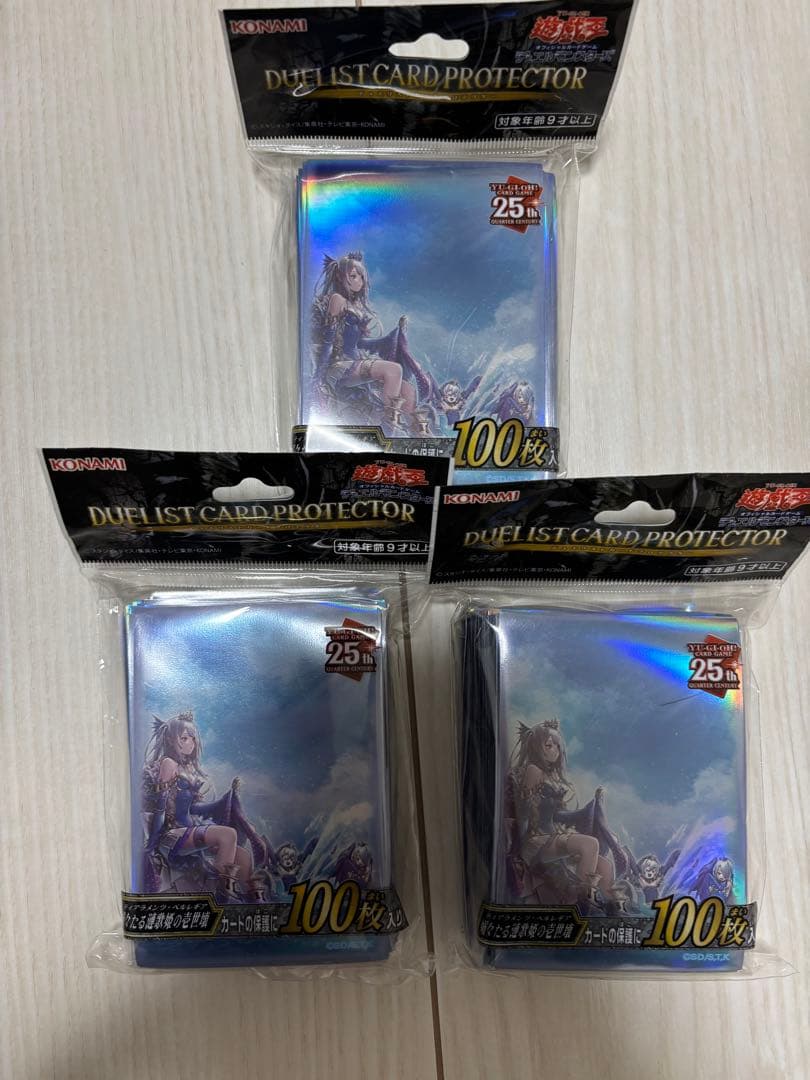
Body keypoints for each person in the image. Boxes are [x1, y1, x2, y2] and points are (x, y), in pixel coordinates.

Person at [504, 718, 633, 912]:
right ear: (536, 747)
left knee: (604, 866)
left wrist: (589, 810)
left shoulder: (549, 776)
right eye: (549, 745)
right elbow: (524, 811)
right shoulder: (533, 770)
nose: (555, 750)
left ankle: (613, 910)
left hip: (550, 837)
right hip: (535, 841)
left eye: (557, 745)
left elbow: (557, 815)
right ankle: (582, 902)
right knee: (590, 844)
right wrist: (518, 847)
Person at [141, 713, 268, 903]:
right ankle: (219, 896)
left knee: (243, 857)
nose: (191, 743)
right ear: (170, 739)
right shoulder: (168, 764)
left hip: (189, 830)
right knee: (228, 835)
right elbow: (161, 807)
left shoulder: (187, 769)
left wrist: (228, 798)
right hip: (171, 835)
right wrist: (153, 841)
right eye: (185, 738)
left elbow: (195, 809)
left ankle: (251, 902)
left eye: (193, 738)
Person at [310, 252, 431, 434]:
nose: (359, 281)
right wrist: (319, 376)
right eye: (353, 276)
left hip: (356, 361)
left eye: (361, 277)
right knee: (394, 370)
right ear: (340, 277)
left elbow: (360, 343)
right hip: (340, 365)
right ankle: (387, 430)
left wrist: (394, 336)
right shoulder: (337, 299)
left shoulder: (355, 305)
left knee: (407, 390)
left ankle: (413, 436)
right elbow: (328, 340)